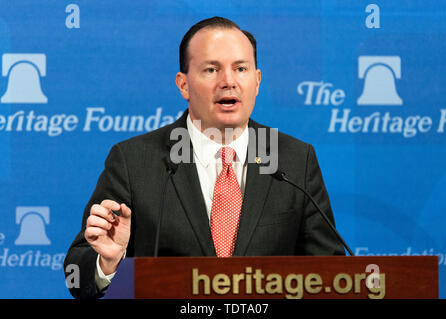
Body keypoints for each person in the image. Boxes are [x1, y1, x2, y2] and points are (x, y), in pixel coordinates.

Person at [64, 16, 345, 299]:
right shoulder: (134, 160)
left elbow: (333, 271)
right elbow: (76, 276)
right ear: (183, 84)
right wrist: (109, 263)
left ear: (257, 81)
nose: (229, 81)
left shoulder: (294, 159)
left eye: (241, 68)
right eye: (211, 69)